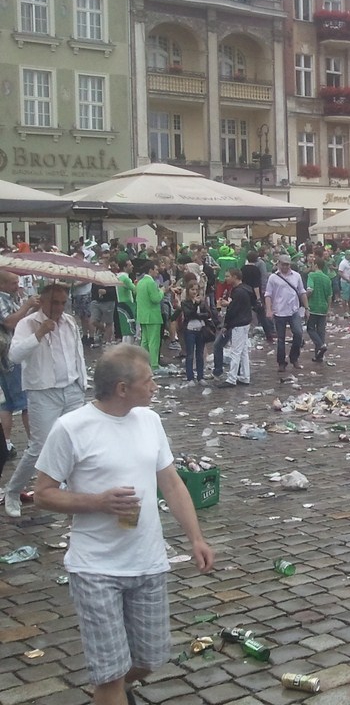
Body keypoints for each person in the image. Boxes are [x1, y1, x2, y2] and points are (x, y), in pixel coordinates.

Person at [34, 344, 215, 705]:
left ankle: (112, 691)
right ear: (121, 388)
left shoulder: (150, 421)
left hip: (147, 562)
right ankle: (110, 691)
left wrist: (196, 537)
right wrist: (97, 502)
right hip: (95, 567)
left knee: (149, 658)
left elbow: (172, 483)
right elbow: (42, 494)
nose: (154, 386)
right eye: (148, 381)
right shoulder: (71, 428)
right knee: (110, 674)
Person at [4, 283, 88, 517]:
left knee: (74, 442)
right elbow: (14, 355)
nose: (59, 308)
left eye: (63, 303)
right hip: (43, 391)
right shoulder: (28, 323)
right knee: (39, 446)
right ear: (43, 300)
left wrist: (82, 382)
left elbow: (76, 352)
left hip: (71, 389)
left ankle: (69, 487)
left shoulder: (69, 321)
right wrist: (39, 334)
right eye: (55, 302)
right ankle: (13, 491)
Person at [0, 271, 37, 459]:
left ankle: (6, 443)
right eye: (13, 283)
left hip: (6, 358)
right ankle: (33, 441)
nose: (17, 286)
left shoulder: (12, 297)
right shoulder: (1, 299)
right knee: (25, 401)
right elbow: (9, 322)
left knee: (6, 403)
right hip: (9, 357)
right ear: (3, 284)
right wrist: (27, 306)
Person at [264, 254, 309, 373]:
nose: (285, 267)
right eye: (283, 264)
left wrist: (307, 307)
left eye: (287, 264)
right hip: (279, 311)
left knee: (298, 334)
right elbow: (268, 294)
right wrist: (269, 310)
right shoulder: (273, 278)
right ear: (278, 264)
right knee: (281, 339)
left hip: (293, 310)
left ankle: (294, 358)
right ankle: (281, 362)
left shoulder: (296, 276)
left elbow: (302, 292)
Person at [177, 282, 213, 387]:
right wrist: (196, 306)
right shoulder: (185, 303)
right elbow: (188, 315)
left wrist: (198, 315)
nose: (194, 292)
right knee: (190, 354)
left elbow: (208, 314)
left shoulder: (202, 302)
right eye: (192, 290)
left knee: (200, 354)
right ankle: (190, 377)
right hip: (190, 330)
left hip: (201, 330)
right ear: (188, 291)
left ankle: (200, 376)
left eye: (196, 290)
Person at [134, 261, 166, 368]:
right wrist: (162, 291)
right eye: (156, 269)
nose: (157, 271)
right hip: (153, 316)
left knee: (145, 341)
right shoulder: (151, 282)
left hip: (142, 315)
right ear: (150, 270)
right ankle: (154, 365)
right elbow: (155, 299)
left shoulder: (140, 282)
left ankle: (143, 363)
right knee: (153, 342)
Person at [304, 258, 332, 362]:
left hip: (313, 306)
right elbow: (329, 296)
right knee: (321, 332)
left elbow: (310, 289)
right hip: (323, 307)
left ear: (315, 265)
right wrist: (328, 309)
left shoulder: (311, 275)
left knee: (310, 329)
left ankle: (321, 345)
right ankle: (318, 356)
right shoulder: (327, 278)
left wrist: (304, 298)